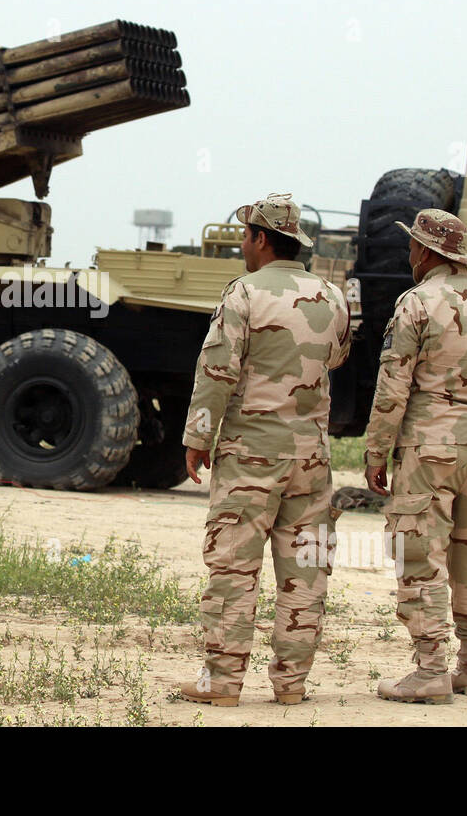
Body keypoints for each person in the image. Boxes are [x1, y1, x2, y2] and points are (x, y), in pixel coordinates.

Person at [176, 193, 352, 708]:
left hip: (250, 456)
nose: (243, 247)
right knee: (306, 570)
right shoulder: (332, 296)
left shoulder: (243, 294)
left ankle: (223, 683)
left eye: (245, 237)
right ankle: (292, 684)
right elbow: (335, 358)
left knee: (234, 567)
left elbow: (215, 373)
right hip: (310, 459)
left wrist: (196, 439)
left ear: (258, 237)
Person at [363, 209, 467, 704]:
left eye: (412, 244)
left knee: (419, 554)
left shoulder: (416, 302)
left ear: (427, 252)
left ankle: (431, 670)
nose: (408, 253)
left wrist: (376, 452)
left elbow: (393, 385)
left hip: (428, 447)